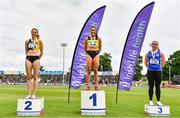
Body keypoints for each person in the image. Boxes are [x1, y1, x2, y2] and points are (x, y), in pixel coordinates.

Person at [144, 40, 166, 106]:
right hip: (150, 71)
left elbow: (164, 62)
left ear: (157, 45)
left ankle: (158, 101)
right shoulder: (147, 53)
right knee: (151, 86)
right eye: (153, 44)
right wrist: (149, 67)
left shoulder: (161, 53)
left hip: (158, 71)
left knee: (157, 86)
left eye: (155, 44)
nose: (154, 45)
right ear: (151, 45)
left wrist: (160, 67)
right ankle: (150, 100)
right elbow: (145, 62)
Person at [25, 28, 43, 99]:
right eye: (32, 32)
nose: (33, 33)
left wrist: (38, 58)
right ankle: (29, 94)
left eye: (35, 32)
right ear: (31, 33)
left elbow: (41, 52)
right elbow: (26, 51)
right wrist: (29, 55)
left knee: (35, 77)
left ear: (37, 33)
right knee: (28, 77)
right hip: (28, 58)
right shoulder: (27, 41)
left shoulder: (39, 41)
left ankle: (33, 94)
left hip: (36, 58)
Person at [84, 25, 102, 90]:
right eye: (91, 30)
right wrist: (88, 52)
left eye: (94, 30)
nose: (93, 31)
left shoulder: (98, 38)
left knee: (95, 70)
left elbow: (100, 47)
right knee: (88, 70)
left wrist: (97, 52)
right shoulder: (87, 38)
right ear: (90, 31)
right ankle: (88, 86)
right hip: (89, 53)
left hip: (96, 53)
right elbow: (85, 48)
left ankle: (96, 85)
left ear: (95, 31)